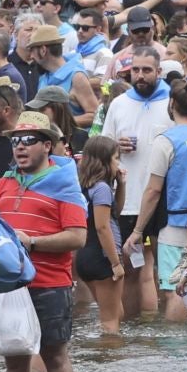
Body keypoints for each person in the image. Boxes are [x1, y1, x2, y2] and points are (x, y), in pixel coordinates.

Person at [0, 110, 88, 372]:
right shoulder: (3, 183)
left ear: (47, 146)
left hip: (50, 284)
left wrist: (32, 242)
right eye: (16, 140)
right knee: (14, 360)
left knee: (54, 356)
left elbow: (78, 237)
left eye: (29, 140)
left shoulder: (65, 183)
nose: (20, 146)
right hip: (10, 285)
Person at [101, 46, 174, 321]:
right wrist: (114, 147)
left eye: (146, 70)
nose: (140, 76)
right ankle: (133, 332)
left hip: (165, 198)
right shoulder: (119, 104)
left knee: (166, 272)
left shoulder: (173, 102)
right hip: (128, 198)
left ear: (159, 71)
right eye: (135, 70)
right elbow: (102, 147)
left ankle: (167, 333)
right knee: (130, 269)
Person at [127, 77, 187, 322]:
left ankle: (175, 348)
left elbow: (153, 190)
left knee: (175, 291)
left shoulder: (166, 141)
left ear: (171, 104)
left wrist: (138, 230)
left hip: (176, 225)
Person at [74, 134, 128, 335]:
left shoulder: (85, 186)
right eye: (115, 158)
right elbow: (103, 227)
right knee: (110, 321)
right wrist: (116, 263)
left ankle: (104, 355)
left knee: (116, 312)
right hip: (102, 257)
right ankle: (110, 363)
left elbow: (115, 213)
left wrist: (121, 185)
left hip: (85, 257)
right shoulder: (102, 188)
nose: (118, 163)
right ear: (104, 161)